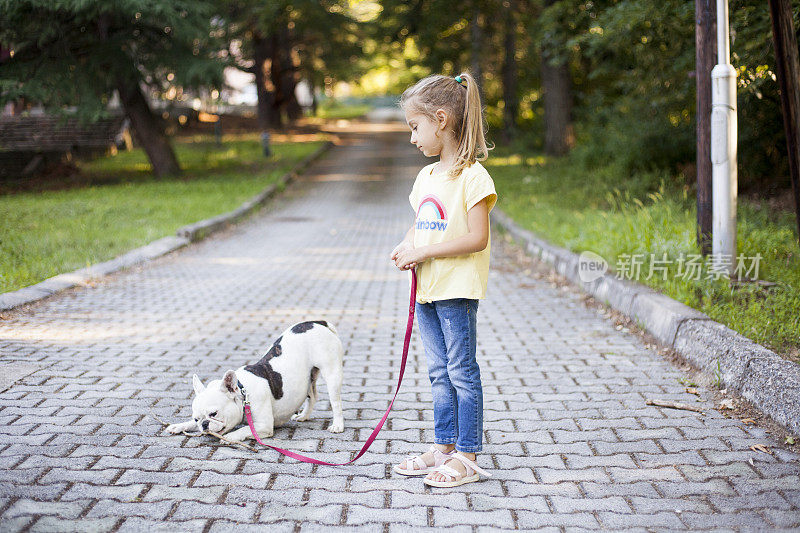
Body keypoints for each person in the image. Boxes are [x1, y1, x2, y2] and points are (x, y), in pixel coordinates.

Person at [390, 72, 497, 488]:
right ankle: (444, 445)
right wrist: (406, 245)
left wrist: (423, 251)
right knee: (438, 372)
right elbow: (422, 225)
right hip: (427, 290)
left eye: (415, 128)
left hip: (456, 291)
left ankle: (467, 455)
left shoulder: (473, 178)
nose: (413, 138)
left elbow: (476, 238)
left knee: (461, 372)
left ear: (441, 120)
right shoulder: (427, 178)